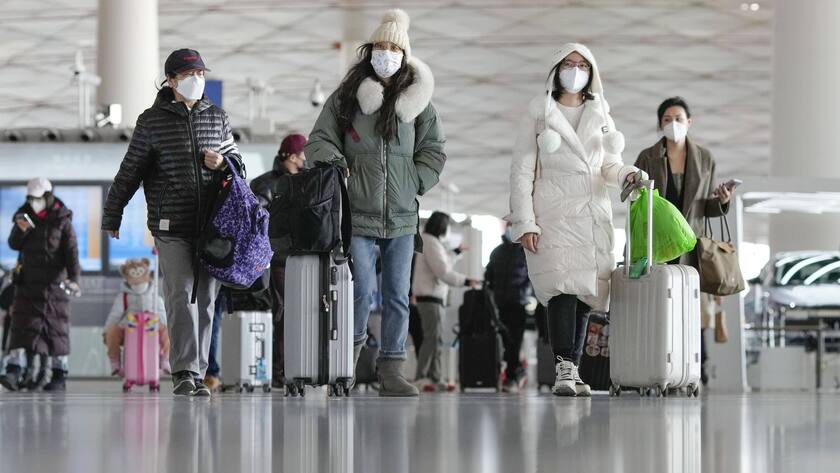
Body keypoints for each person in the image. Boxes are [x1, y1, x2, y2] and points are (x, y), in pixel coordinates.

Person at [306, 9, 446, 397]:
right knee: (362, 290)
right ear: (370, 51)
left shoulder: (419, 104)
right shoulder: (347, 98)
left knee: (398, 295)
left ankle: (391, 370)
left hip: (402, 217)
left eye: (393, 48)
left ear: (405, 55)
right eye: (380, 47)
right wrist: (336, 163)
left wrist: (416, 181)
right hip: (358, 215)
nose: (386, 54)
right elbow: (318, 139)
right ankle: (346, 367)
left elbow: (434, 150)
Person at [102, 49, 245, 397]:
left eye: (200, 73)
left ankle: (199, 372)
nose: (197, 79)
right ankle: (184, 371)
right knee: (181, 294)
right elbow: (130, 170)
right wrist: (113, 212)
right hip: (171, 225)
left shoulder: (218, 117)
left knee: (209, 299)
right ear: (171, 80)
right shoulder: (152, 121)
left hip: (212, 226)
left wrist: (223, 163)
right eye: (189, 74)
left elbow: (239, 166)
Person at [508, 43, 643, 397]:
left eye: (582, 64)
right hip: (551, 215)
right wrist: (525, 222)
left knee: (586, 296)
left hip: (590, 215)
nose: (574, 70)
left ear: (591, 72)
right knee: (560, 292)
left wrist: (628, 174)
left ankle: (575, 369)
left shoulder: (601, 113)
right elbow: (521, 170)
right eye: (568, 64)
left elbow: (609, 164)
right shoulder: (539, 112)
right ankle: (563, 366)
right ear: (556, 69)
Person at [633, 96, 734, 385]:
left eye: (678, 119)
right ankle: (659, 368)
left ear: (689, 122)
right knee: (659, 309)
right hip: (659, 244)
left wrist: (723, 201)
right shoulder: (647, 158)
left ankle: (696, 371)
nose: (673, 124)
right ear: (660, 124)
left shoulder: (705, 158)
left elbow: (707, 207)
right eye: (667, 120)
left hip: (692, 245)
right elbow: (637, 204)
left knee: (694, 310)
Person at [0, 178, 80, 392]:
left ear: (47, 197)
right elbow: (13, 243)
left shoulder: (62, 220)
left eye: (37, 198)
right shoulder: (23, 216)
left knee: (56, 330)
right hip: (27, 284)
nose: (33, 202)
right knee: (22, 328)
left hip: (55, 286)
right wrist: (22, 229)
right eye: (30, 198)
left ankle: (57, 374)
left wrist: (74, 279)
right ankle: (14, 370)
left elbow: (71, 252)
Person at [250, 133, 308, 387]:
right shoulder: (267, 184)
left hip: (298, 257)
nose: (307, 159)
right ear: (293, 157)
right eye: (304, 154)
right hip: (278, 258)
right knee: (282, 312)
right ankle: (278, 370)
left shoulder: (304, 182)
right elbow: (258, 220)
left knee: (292, 313)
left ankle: (287, 368)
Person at [412, 212, 478, 392]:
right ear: (442, 226)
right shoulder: (430, 242)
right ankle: (422, 377)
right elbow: (442, 270)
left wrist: (455, 252)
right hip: (430, 297)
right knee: (431, 338)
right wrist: (465, 281)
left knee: (436, 338)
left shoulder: (431, 242)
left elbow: (443, 262)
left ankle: (436, 377)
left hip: (433, 296)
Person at [484, 223, 532, 393]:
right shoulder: (497, 252)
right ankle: (516, 371)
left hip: (519, 303)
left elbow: (532, 277)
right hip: (500, 303)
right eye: (510, 225)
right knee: (506, 340)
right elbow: (488, 276)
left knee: (514, 342)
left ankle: (512, 376)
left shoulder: (526, 251)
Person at [103, 258, 171, 376]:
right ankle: (115, 362)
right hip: (129, 328)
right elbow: (115, 315)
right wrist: (106, 331)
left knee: (168, 332)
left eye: (140, 272)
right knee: (112, 332)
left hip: (151, 327)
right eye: (133, 273)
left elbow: (162, 314)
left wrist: (162, 324)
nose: (137, 275)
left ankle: (165, 359)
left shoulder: (154, 296)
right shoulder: (123, 296)